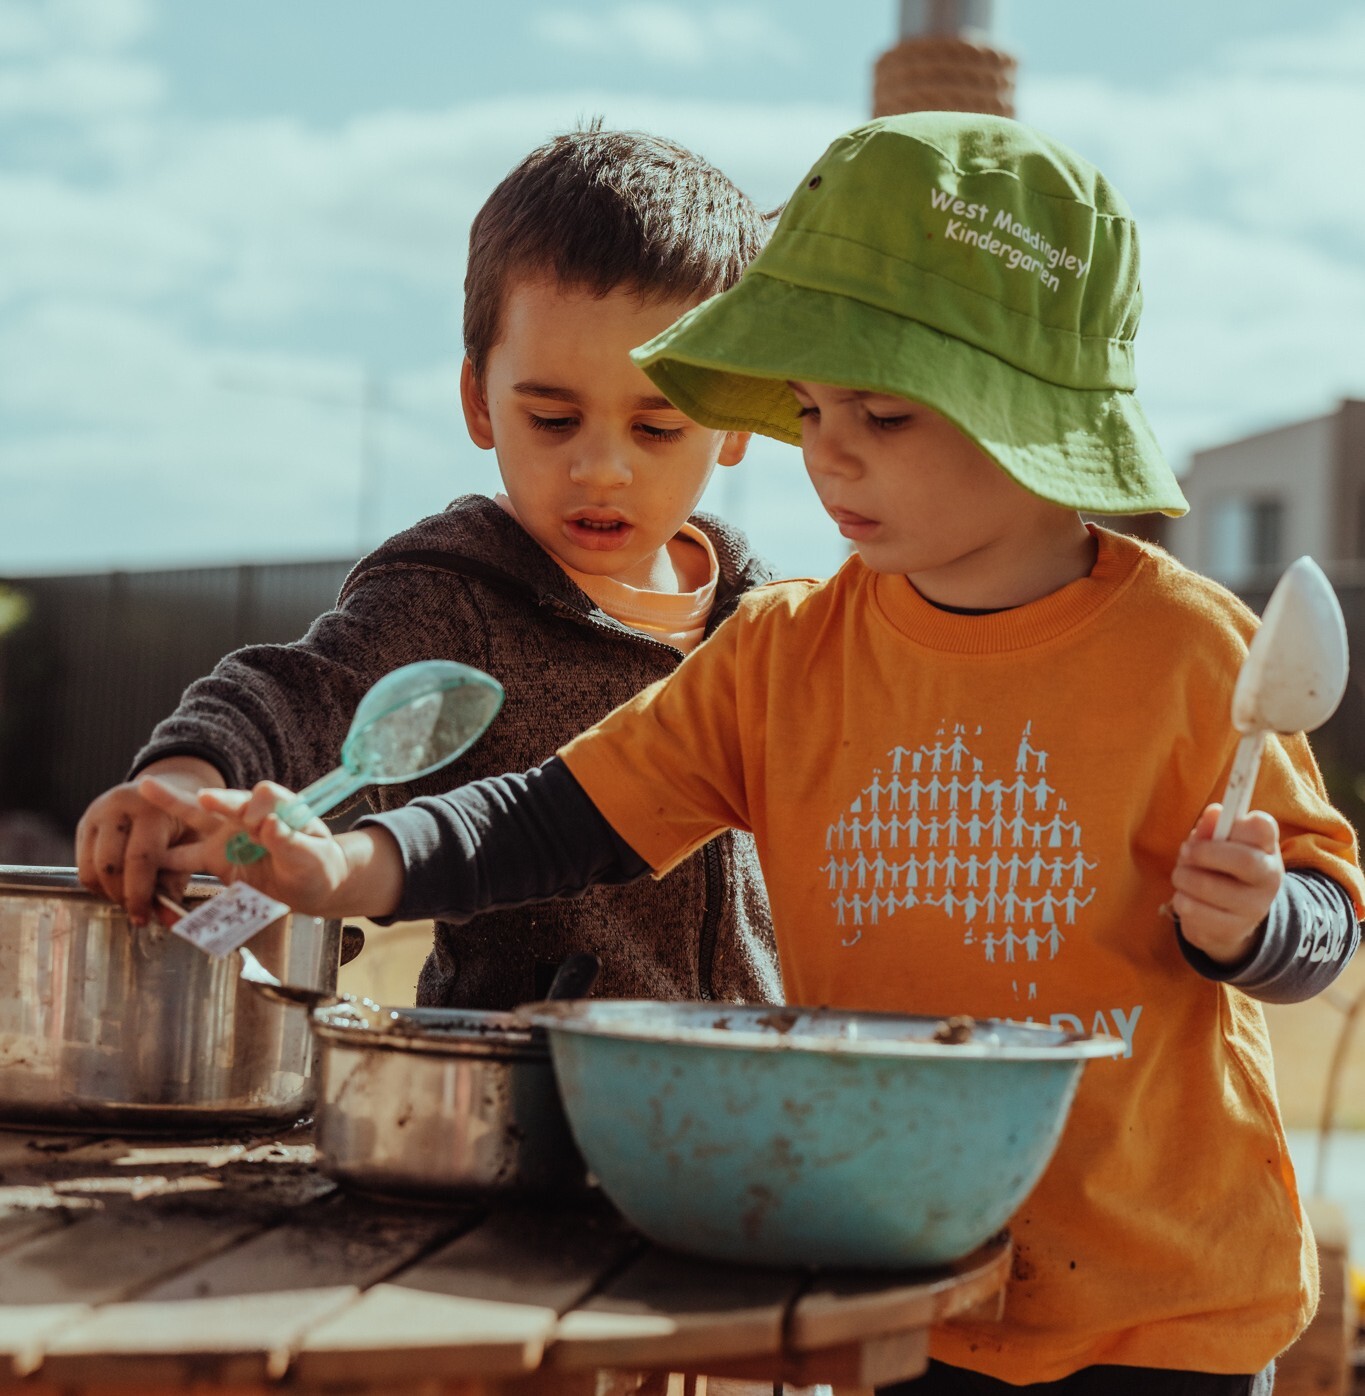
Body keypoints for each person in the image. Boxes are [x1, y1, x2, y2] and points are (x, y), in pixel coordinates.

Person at [143, 114, 1363, 1394]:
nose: (824, 450)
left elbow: (1327, 910)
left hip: (1158, 1310)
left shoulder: (1187, 651)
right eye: (810, 405)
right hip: (886, 1279)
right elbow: (549, 816)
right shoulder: (784, 651)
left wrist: (1258, 921)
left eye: (881, 412)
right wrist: (347, 862)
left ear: (1032, 419)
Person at [78, 125, 783, 1011]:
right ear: (478, 402)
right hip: (511, 1092)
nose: (602, 468)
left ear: (738, 421)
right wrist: (190, 775)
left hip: (743, 1090)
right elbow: (305, 692)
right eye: (554, 420)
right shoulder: (456, 596)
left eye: (657, 428)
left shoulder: (768, 622)